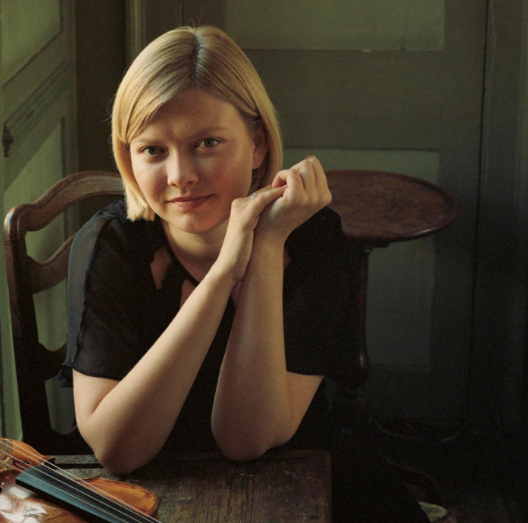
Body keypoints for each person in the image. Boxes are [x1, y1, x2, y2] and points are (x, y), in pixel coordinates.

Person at [61, 25, 429, 522]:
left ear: (257, 145)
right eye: (153, 150)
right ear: (128, 156)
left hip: (304, 487)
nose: (180, 175)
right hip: (152, 498)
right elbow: (117, 450)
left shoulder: (312, 238)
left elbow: (246, 440)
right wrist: (221, 276)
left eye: (207, 143)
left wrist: (267, 247)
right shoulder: (113, 244)